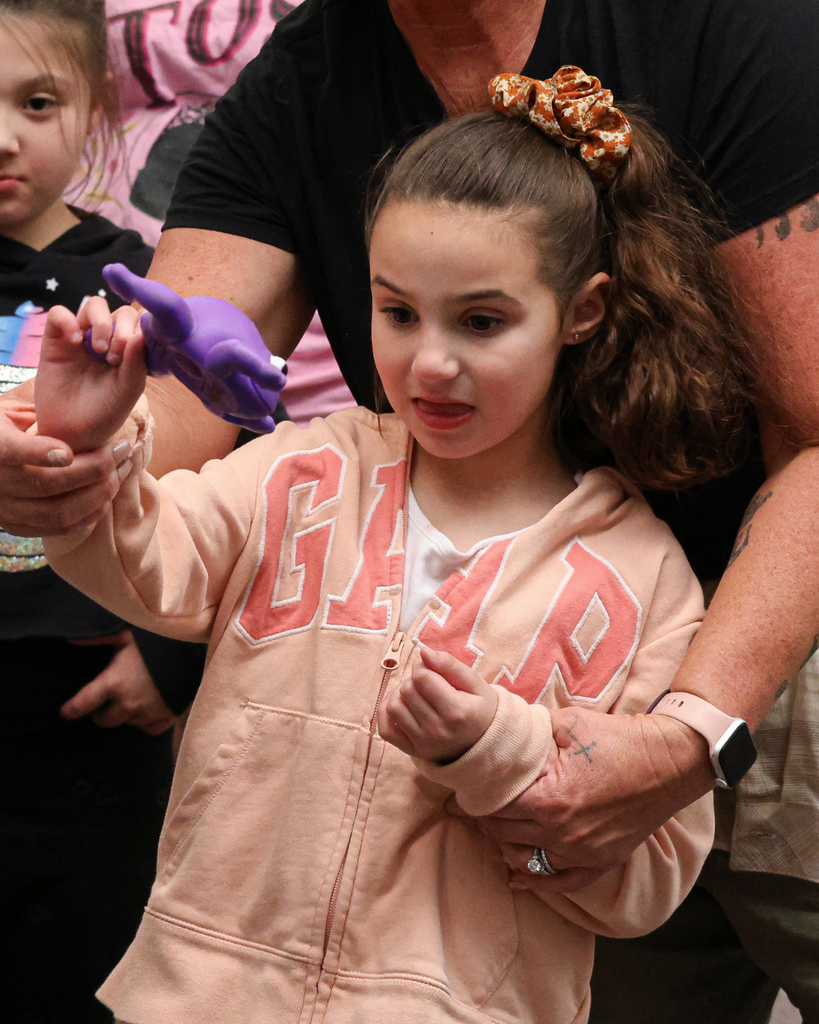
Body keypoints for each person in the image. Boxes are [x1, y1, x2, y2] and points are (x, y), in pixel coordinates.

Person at [2, 0, 819, 1013]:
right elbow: (157, 527)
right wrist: (79, 455)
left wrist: (509, 748)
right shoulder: (303, 475)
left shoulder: (636, 574)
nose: (429, 362)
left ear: (582, 312)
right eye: (394, 311)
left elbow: (638, 879)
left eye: (480, 321)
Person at [0, 3, 192, 1020]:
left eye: (36, 103)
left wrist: (170, 656)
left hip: (87, 712)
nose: (3, 138)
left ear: (93, 112)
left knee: (85, 974)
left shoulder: (138, 281)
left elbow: (210, 489)